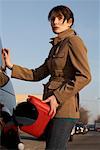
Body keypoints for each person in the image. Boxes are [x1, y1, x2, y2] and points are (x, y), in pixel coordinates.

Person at [3, 5, 91, 150]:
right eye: (52, 19)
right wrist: (11, 66)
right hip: (50, 109)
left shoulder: (74, 41)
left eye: (59, 18)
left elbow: (85, 76)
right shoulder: (56, 46)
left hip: (64, 109)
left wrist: (57, 97)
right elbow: (37, 74)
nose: (54, 22)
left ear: (69, 22)